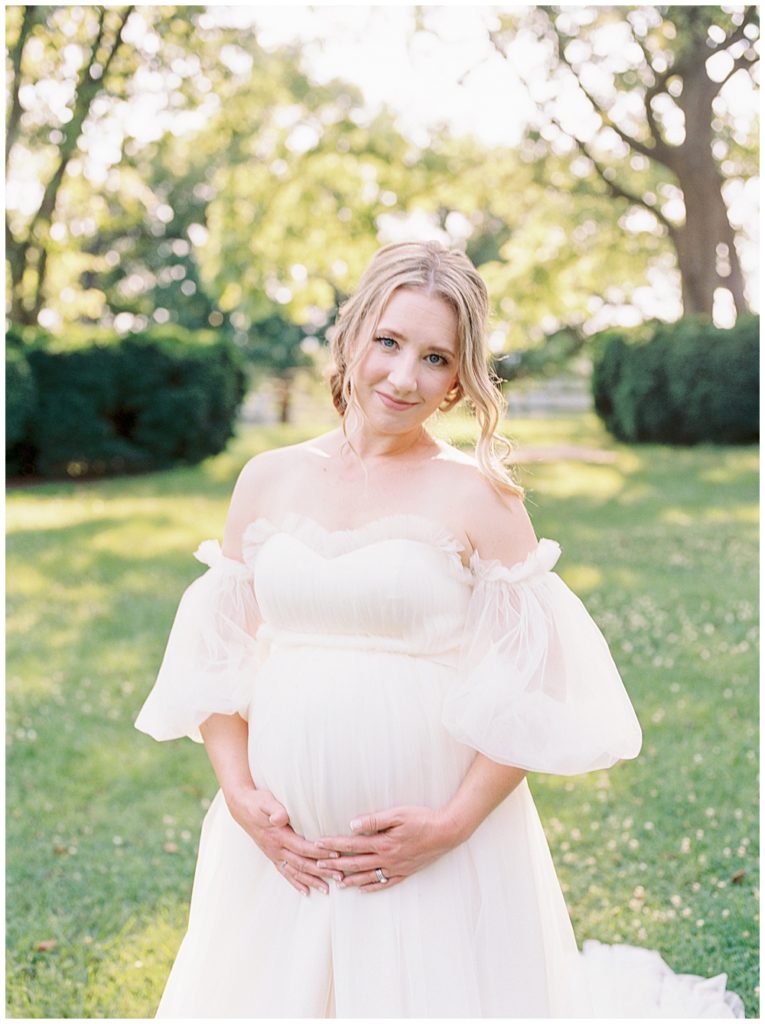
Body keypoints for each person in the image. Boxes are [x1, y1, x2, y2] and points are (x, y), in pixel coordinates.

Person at [135, 241, 744, 1018]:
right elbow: (213, 658)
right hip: (282, 858)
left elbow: (533, 686)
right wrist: (240, 793)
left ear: (458, 379)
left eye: (433, 357)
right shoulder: (268, 479)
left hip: (431, 859)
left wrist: (449, 827)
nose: (401, 376)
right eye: (387, 342)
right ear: (352, 337)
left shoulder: (479, 497)